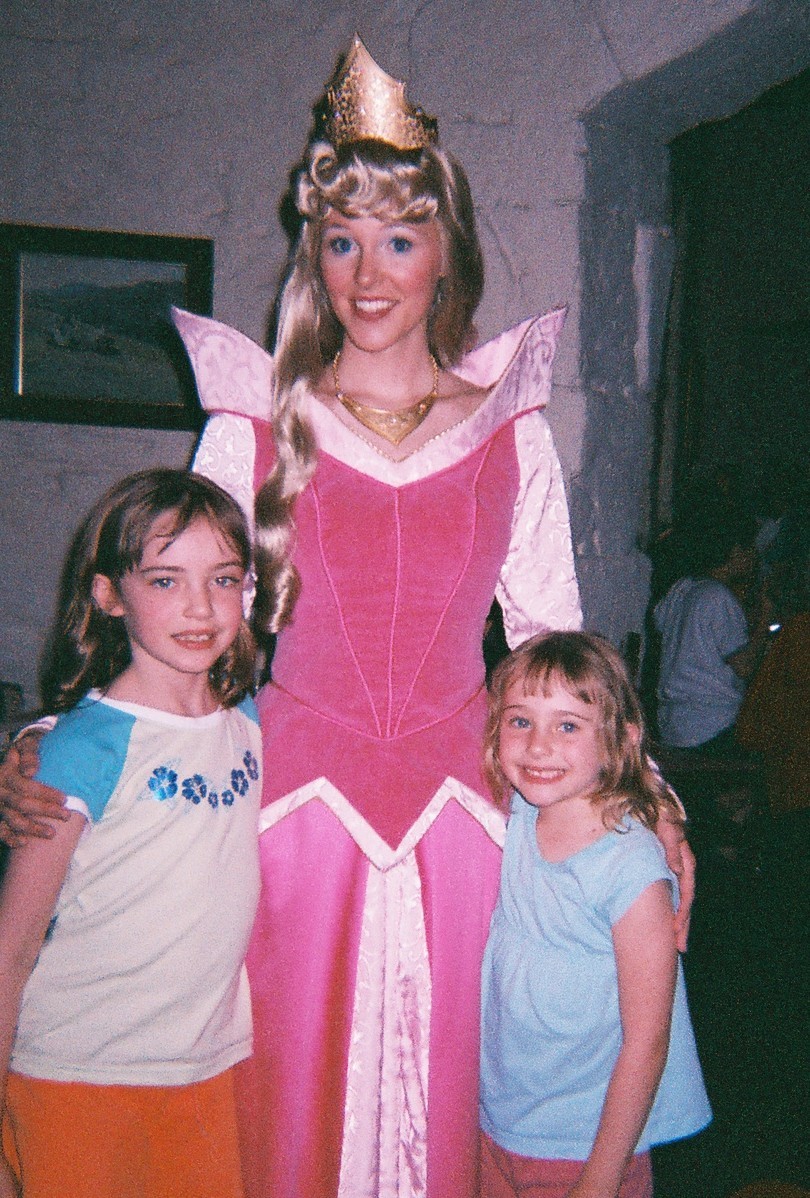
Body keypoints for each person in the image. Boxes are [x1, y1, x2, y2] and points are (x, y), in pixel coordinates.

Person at [0, 39, 693, 1198]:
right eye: (341, 241)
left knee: (460, 1097)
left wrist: (645, 790)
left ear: (445, 252)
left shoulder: (509, 430)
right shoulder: (256, 422)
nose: (369, 275)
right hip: (290, 815)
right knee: (281, 1096)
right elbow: (177, 610)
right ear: (312, 255)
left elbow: (550, 640)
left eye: (399, 241)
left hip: (466, 816)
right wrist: (49, 741)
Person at [0, 470, 262, 1198]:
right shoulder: (77, 750)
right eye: (165, 581)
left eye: (223, 579)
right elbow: (11, 949)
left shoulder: (253, 726)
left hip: (203, 1074)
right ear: (109, 595)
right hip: (77, 1078)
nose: (200, 607)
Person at [479, 631, 711, 1198]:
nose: (538, 746)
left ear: (620, 739)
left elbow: (647, 1041)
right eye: (520, 721)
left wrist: (602, 1178)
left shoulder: (629, 866)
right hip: (498, 1126)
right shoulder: (514, 817)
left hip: (584, 1148)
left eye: (568, 726)